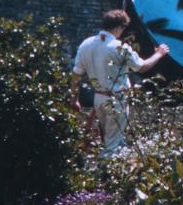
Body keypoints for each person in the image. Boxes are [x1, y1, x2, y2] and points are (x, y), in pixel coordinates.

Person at [72, 9, 169, 158]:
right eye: (123, 28)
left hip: (98, 98)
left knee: (107, 140)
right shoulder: (118, 47)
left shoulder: (86, 44)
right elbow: (141, 67)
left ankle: (100, 173)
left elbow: (76, 74)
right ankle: (105, 175)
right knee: (113, 146)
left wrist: (74, 99)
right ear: (119, 27)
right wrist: (159, 54)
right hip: (116, 99)